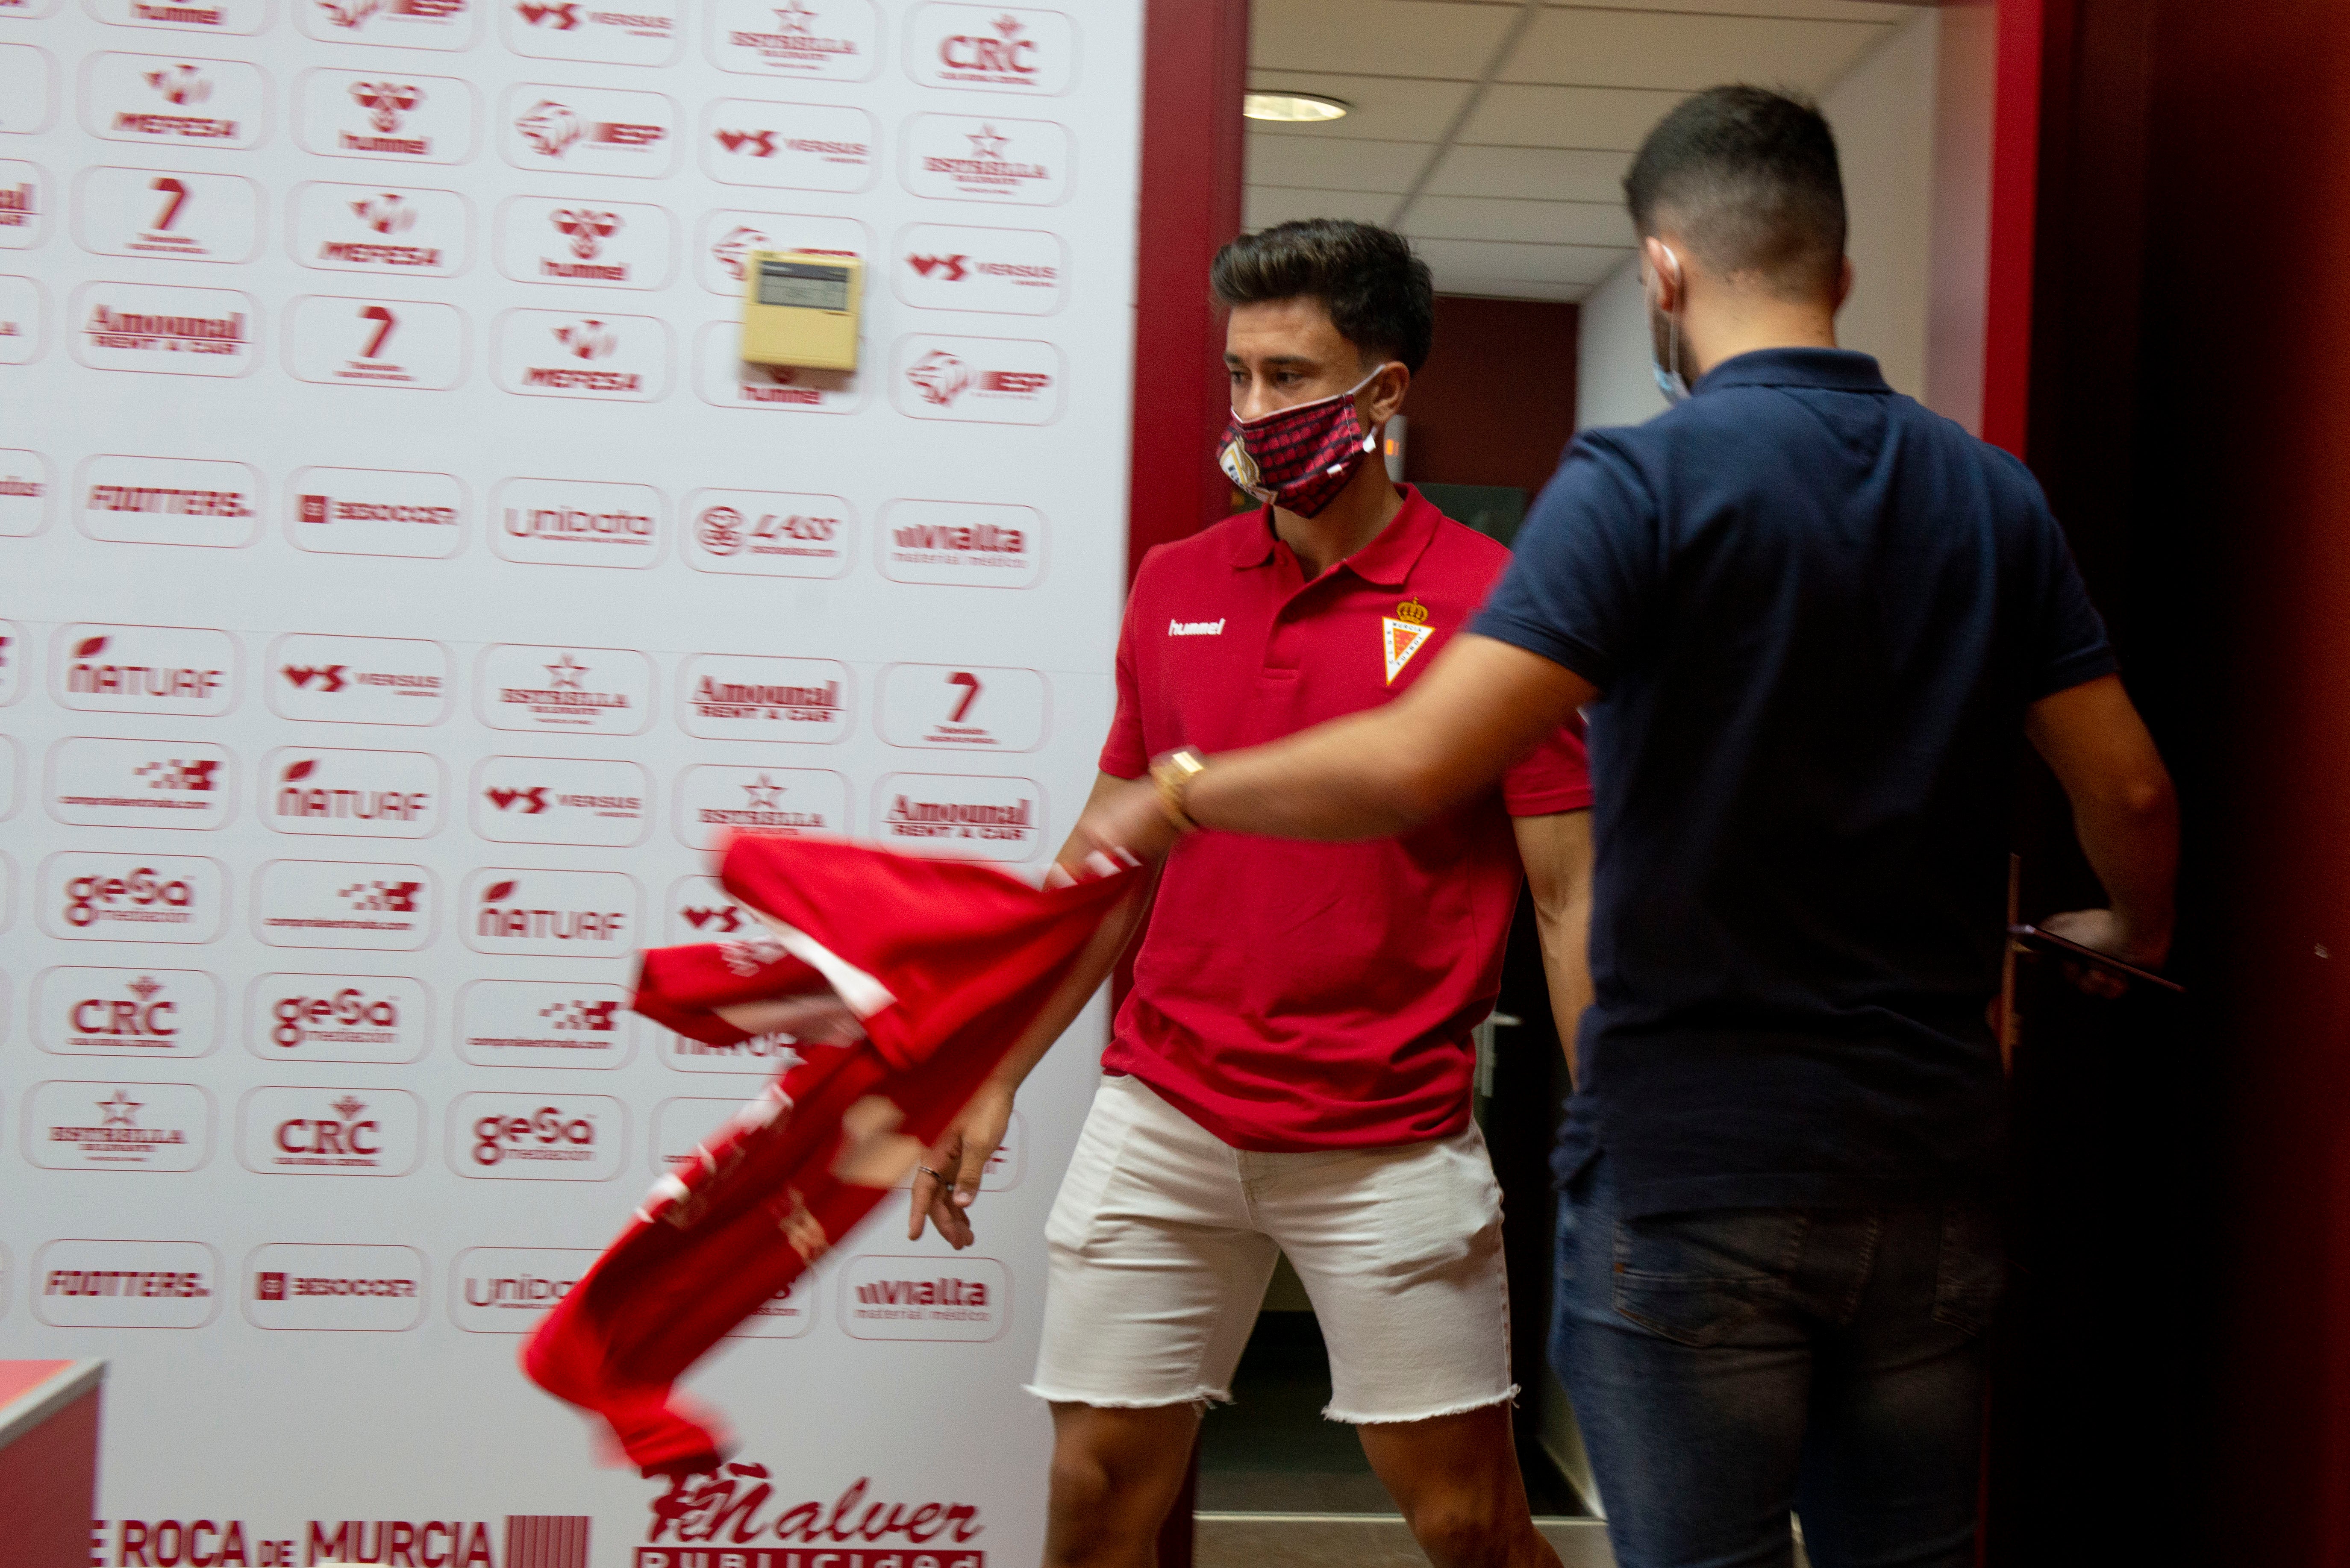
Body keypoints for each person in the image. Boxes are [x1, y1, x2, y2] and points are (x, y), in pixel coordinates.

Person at [1071, 89, 2181, 1568]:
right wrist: (2131, 925)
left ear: (1659, 271)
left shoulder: (1639, 484)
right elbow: (2129, 791)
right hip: (1923, 1156)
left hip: (1689, 1156)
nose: (1256, 406)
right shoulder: (1989, 494)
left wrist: (1183, 790)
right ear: (1838, 269)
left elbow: (1417, 767)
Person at [906, 217, 1594, 1568]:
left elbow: (1570, 899)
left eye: (1289, 377)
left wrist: (1611, 1135)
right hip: (1164, 1112)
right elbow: (1109, 857)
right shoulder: (1176, 583)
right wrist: (989, 1066)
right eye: (1239, 375)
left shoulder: (1497, 602)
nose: (1254, 409)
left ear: (1383, 391)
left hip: (1387, 1132)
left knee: (1467, 1521)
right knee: (1095, 1500)